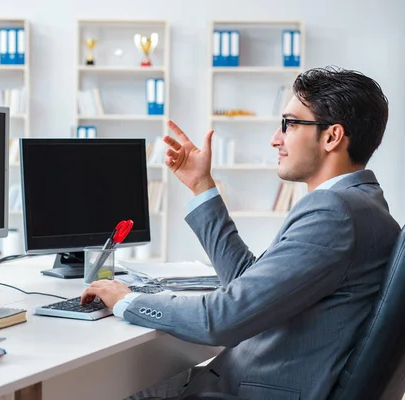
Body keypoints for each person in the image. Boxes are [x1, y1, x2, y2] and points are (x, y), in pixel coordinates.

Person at [80, 66, 400, 400]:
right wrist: (201, 186)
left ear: (332, 136)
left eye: (289, 124)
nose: (276, 138)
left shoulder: (335, 213)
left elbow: (223, 318)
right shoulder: (364, 206)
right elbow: (249, 285)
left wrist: (128, 300)